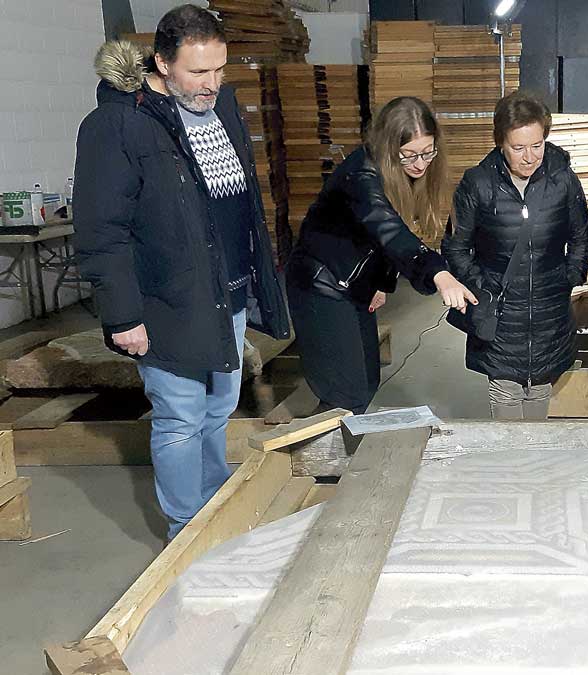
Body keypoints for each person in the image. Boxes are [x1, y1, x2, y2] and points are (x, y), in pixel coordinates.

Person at [74, 5, 290, 539]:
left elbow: (240, 207)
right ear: (163, 62)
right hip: (166, 302)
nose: (211, 83)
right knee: (180, 417)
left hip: (228, 296)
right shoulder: (119, 124)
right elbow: (103, 233)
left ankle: (215, 508)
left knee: (220, 408)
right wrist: (123, 316)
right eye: (198, 72)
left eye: (219, 69)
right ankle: (185, 532)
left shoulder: (224, 106)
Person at [287, 96, 476, 414]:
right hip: (322, 284)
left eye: (428, 152)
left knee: (366, 381)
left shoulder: (400, 173)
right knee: (343, 393)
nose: (420, 163)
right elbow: (389, 230)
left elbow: (385, 234)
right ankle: (325, 461)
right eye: (409, 155)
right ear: (389, 149)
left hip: (351, 282)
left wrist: (382, 283)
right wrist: (438, 273)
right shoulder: (362, 176)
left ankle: (341, 453)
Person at [442, 91, 588, 419]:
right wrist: (483, 286)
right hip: (500, 314)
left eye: (536, 145)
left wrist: (566, 278)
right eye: (518, 147)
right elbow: (455, 247)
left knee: (541, 387)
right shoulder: (477, 184)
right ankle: (510, 465)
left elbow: (581, 237)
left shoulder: (563, 180)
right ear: (500, 143)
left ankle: (531, 463)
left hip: (549, 311)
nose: (530, 157)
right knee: (506, 394)